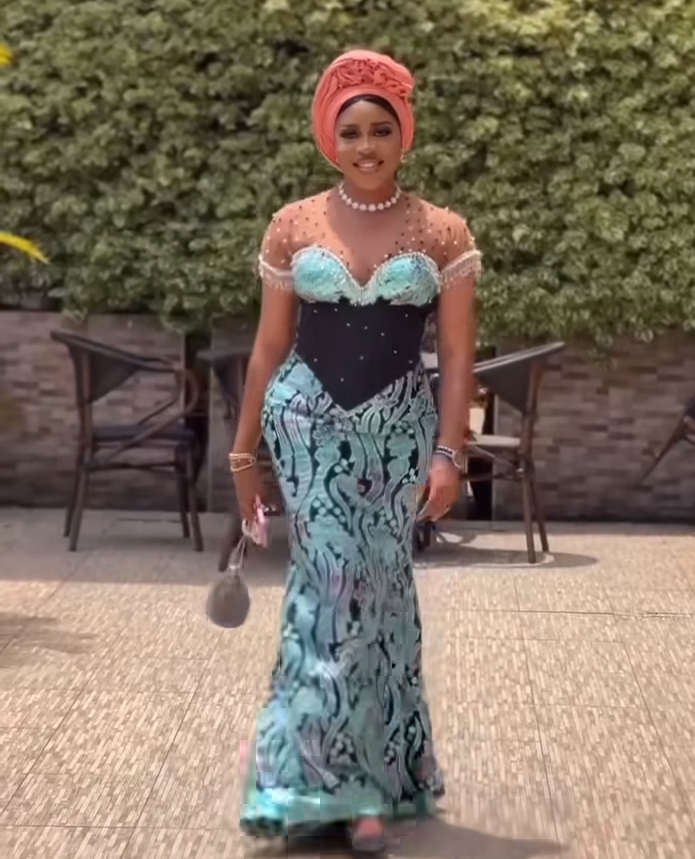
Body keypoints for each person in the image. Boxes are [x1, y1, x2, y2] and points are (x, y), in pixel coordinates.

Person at [230, 49, 481, 854]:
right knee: (331, 590)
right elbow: (268, 348)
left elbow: (457, 354)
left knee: (381, 596)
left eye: (380, 129)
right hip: (306, 424)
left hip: (399, 431)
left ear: (403, 134)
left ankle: (372, 773)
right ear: (328, 139)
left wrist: (449, 453)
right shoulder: (292, 224)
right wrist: (242, 456)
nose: (365, 145)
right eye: (350, 132)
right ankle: (334, 788)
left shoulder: (442, 231)